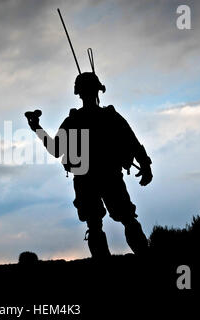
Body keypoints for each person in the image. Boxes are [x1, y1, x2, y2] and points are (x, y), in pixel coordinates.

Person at [26, 72, 153, 259]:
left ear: (78, 93)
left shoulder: (73, 120)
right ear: (98, 91)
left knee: (95, 225)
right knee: (127, 219)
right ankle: (147, 260)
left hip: (86, 179)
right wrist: (145, 166)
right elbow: (133, 143)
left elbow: (54, 149)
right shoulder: (110, 116)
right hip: (110, 176)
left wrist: (36, 127)